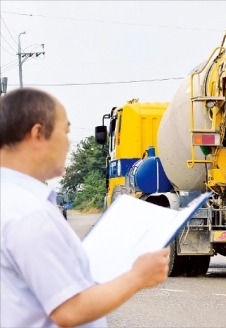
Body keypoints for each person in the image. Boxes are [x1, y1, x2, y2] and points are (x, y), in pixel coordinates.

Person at [0, 88, 170, 327]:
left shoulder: (9, 199)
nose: (68, 144)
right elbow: (70, 310)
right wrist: (138, 276)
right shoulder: (32, 214)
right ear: (38, 133)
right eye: (66, 131)